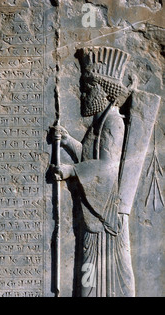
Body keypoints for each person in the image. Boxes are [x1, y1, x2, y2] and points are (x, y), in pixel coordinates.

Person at [52, 47, 135, 297]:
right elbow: (91, 158)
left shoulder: (113, 122)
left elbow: (107, 168)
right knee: (89, 274)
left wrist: (70, 170)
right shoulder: (99, 124)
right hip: (94, 211)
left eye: (87, 90)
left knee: (105, 275)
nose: (82, 94)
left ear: (103, 91)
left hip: (105, 216)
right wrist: (67, 140)